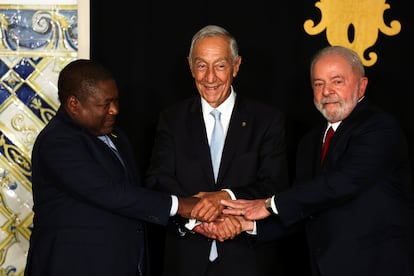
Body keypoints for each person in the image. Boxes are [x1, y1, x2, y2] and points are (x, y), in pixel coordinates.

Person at [222, 45, 414, 276]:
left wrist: (268, 204)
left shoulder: (379, 128)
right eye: (319, 83)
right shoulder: (309, 142)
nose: (327, 91)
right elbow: (304, 206)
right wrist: (249, 225)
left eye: (337, 81)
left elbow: (342, 182)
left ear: (362, 86)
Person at [24, 59, 203, 276]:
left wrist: (187, 218)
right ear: (73, 104)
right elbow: (110, 193)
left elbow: (133, 195)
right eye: (104, 104)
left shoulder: (115, 135)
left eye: (116, 101)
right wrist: (180, 205)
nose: (115, 110)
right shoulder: (57, 141)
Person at [145, 24, 290, 276]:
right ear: (190, 66)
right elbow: (158, 181)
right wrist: (197, 220)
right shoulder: (171, 119)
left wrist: (224, 197)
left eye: (220, 66)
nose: (210, 77)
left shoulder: (267, 120)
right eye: (201, 65)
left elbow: (274, 184)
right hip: (186, 261)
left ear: (236, 65)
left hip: (248, 262)